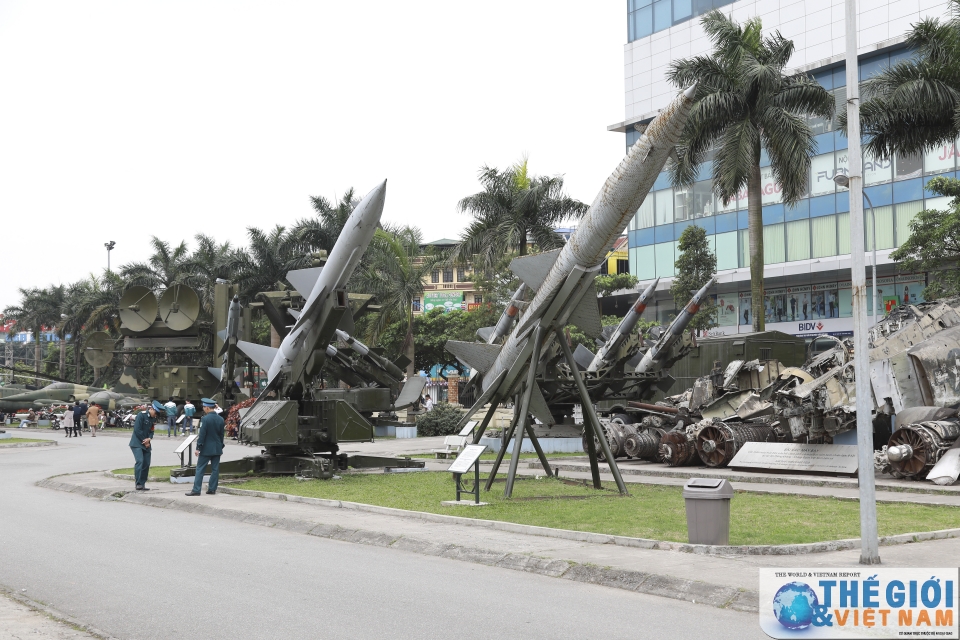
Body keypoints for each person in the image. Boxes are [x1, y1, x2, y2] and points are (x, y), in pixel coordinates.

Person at [185, 398, 225, 496]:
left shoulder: (205, 419)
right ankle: (212, 489)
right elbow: (221, 435)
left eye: (204, 407)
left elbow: (202, 435)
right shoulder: (221, 419)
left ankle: (196, 490)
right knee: (215, 469)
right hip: (217, 448)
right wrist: (221, 445)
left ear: (207, 408)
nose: (203, 409)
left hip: (206, 449)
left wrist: (198, 448)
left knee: (200, 469)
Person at [130, 401, 161, 491]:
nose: (156, 416)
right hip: (137, 443)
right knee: (140, 461)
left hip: (146, 443)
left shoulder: (153, 419)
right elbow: (137, 430)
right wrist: (145, 440)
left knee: (146, 463)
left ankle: (142, 483)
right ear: (151, 409)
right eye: (155, 413)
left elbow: (151, 431)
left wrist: (149, 439)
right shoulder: (141, 415)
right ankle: (138, 483)